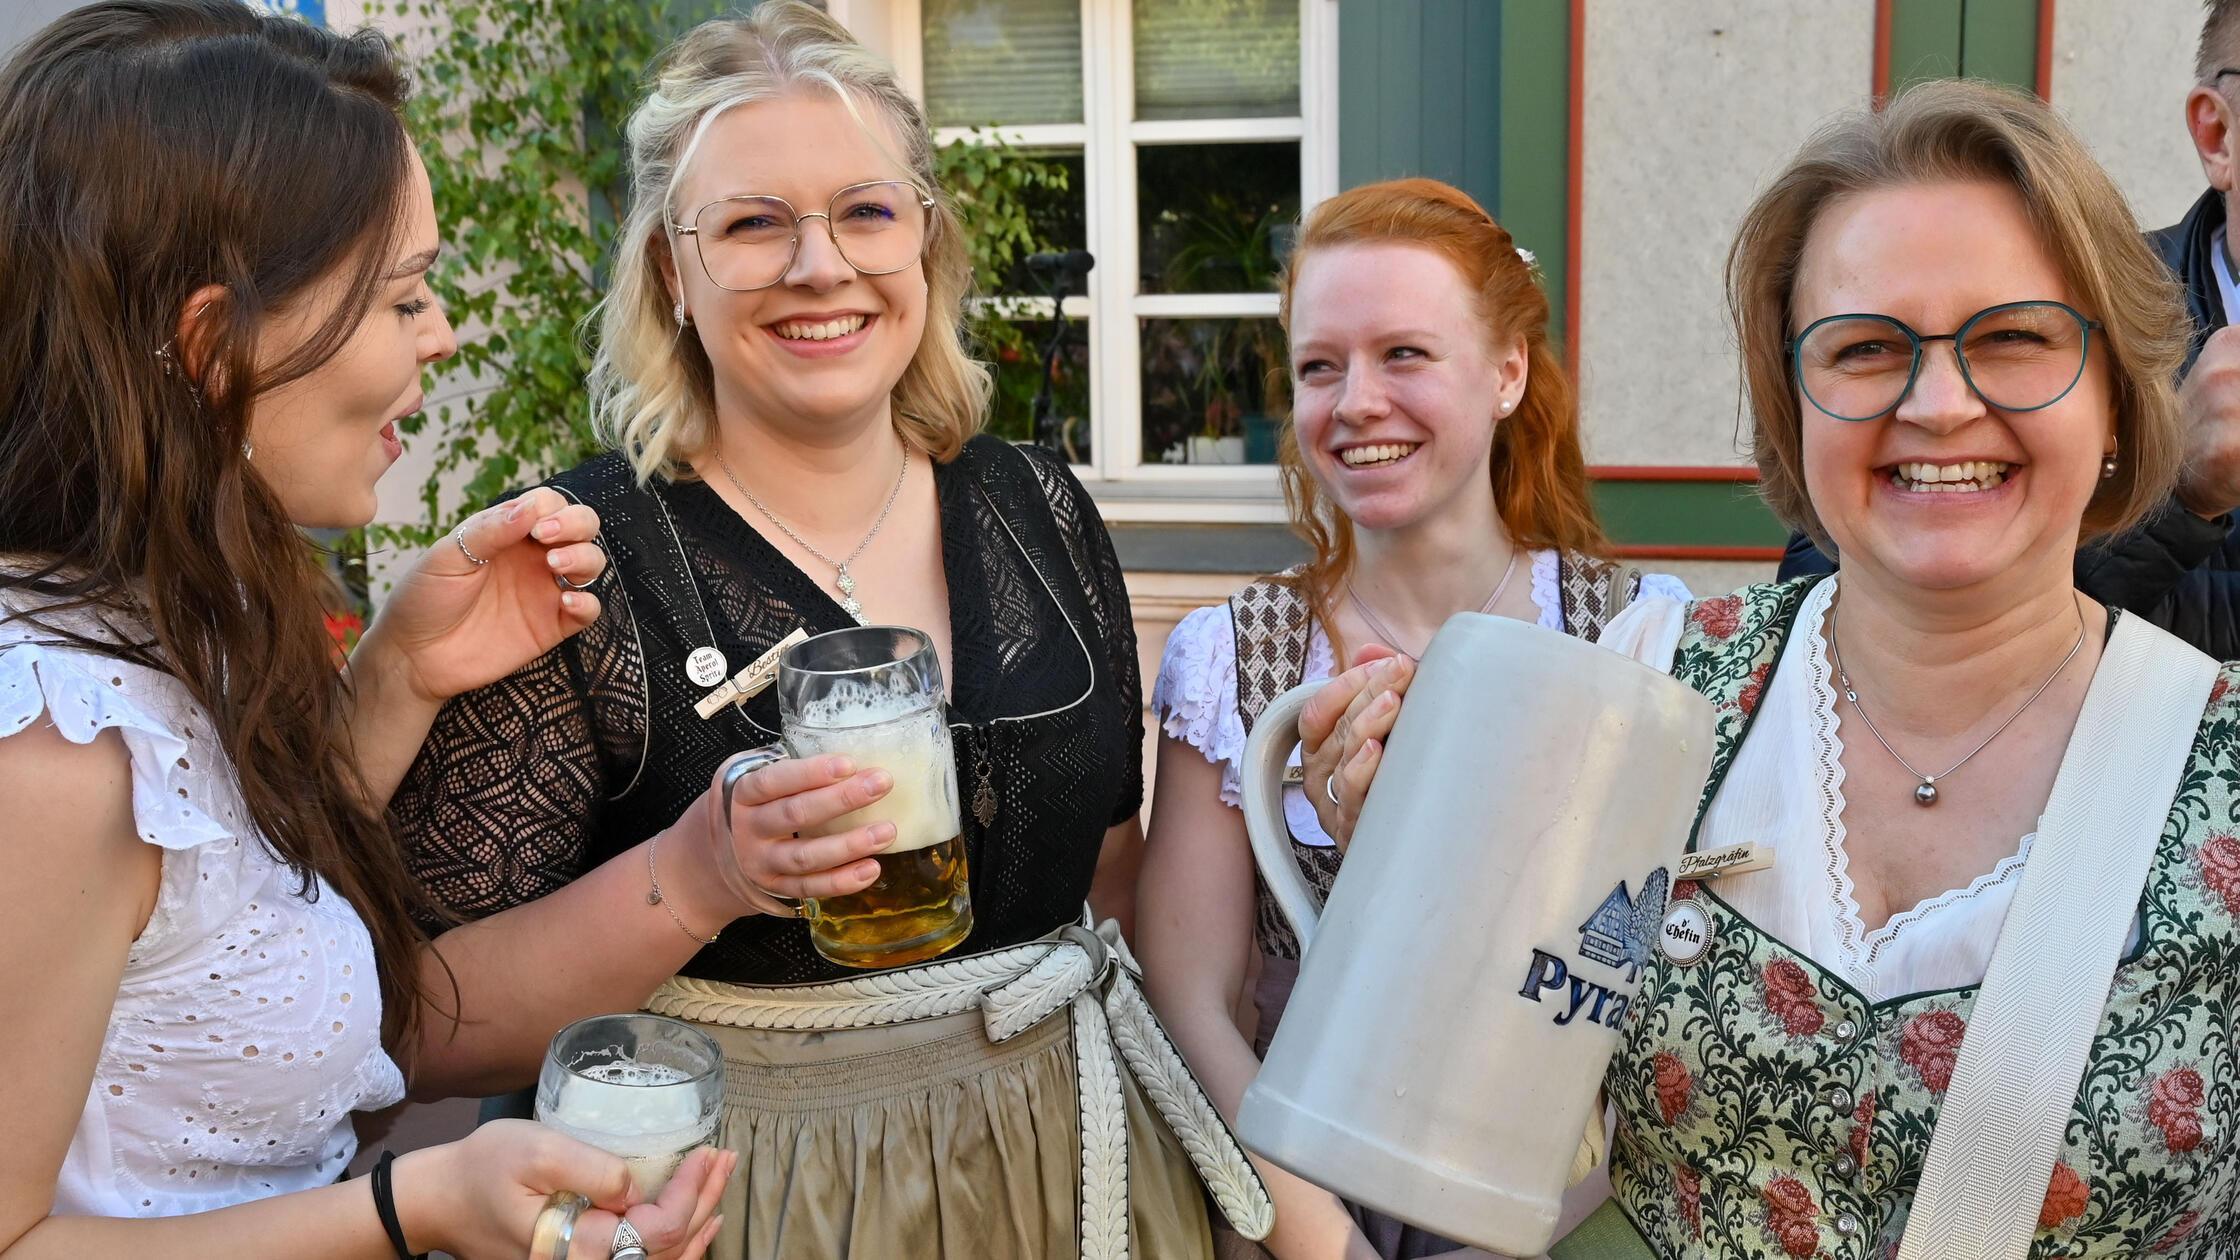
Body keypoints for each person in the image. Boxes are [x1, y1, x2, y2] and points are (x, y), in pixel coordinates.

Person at [391, 4, 1267, 1257]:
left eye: (865, 212)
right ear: (666, 275)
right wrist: (698, 879)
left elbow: (1109, 879)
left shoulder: (1039, 505)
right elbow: (428, 1026)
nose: (820, 267)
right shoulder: (572, 562)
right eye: (752, 224)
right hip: (759, 1197)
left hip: (1075, 1165)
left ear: (924, 243)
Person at [1306, 81, 2240, 1256]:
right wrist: (1404, 867)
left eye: (2011, 337)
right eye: (1861, 349)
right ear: (1788, 399)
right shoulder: (1651, 683)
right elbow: (1475, 1096)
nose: (1937, 403)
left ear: (2113, 394)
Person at [0, 4, 738, 1256]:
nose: (441, 335)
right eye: (404, 297)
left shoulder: (175, 614)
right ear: (213, 341)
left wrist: (397, 673)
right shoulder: (53, 750)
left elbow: (211, 924)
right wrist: (414, 1209)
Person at [1136, 177, 1688, 1260]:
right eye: (1318, 367)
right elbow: (1192, 993)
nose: (1353, 404)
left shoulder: (1633, 634)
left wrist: (1559, 1218)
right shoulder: (1234, 652)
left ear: (1505, 374)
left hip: (1557, 1195)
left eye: (1403, 354)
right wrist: (1304, 1225)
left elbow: (1657, 975)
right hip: (1291, 1180)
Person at [1779, 0, 2240, 659]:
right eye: (1871, 345)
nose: (1940, 406)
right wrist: (2178, 495)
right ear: (2217, 133)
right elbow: (1837, 593)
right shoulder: (2084, 307)